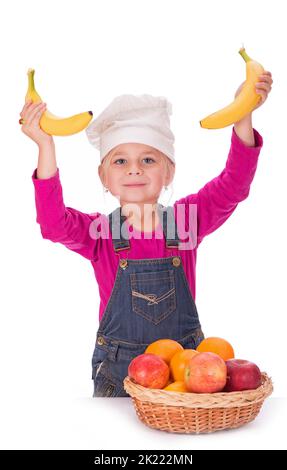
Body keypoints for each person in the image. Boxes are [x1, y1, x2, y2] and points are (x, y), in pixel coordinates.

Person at [19, 72, 273, 397]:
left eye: (148, 160)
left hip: (185, 373)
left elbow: (233, 185)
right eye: (120, 161)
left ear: (169, 172)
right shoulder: (99, 234)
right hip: (118, 374)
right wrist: (45, 145)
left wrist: (243, 116)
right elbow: (52, 222)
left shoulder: (186, 222)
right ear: (104, 177)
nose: (134, 169)